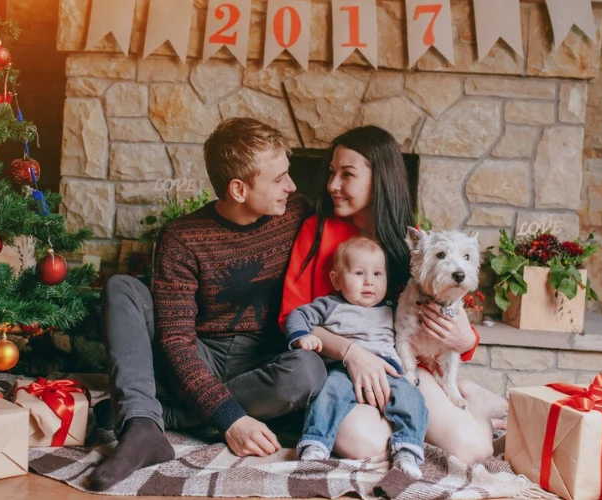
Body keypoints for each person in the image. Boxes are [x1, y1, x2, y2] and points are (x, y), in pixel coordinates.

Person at [89, 118, 328, 491]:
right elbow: (176, 343)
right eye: (278, 178)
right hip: (200, 352)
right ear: (238, 189)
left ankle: (158, 418)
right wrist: (232, 420)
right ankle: (141, 423)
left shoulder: (298, 213)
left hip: (264, 360)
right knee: (122, 288)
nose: (291, 186)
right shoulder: (182, 237)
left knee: (309, 371)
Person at [279, 125, 508, 465]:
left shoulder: (412, 242)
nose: (333, 185)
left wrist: (466, 340)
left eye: (347, 174)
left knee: (474, 448)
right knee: (362, 443)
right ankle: (412, 422)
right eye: (332, 173)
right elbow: (291, 317)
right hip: (340, 370)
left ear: (380, 178)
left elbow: (445, 305)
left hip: (401, 366)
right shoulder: (317, 232)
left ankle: (469, 397)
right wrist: (351, 353)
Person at [286, 236, 428, 479]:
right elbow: (297, 315)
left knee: (412, 397)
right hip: (343, 370)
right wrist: (301, 336)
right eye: (359, 273)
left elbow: (416, 329)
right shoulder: (330, 304)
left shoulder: (393, 308)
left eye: (377, 274)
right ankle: (316, 442)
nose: (369, 282)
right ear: (336, 280)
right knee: (330, 392)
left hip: (389, 370)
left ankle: (407, 449)